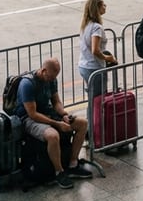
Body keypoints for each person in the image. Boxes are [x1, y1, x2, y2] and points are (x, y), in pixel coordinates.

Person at [14, 57, 91, 189]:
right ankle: (59, 172)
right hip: (29, 119)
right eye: (50, 77)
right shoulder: (27, 84)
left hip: (48, 113)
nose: (52, 79)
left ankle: (73, 163)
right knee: (52, 135)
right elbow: (32, 114)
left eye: (54, 77)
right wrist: (56, 123)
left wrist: (64, 115)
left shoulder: (51, 79)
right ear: (43, 71)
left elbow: (56, 102)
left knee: (82, 123)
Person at [78, 0, 117, 107]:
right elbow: (95, 50)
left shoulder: (85, 25)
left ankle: (91, 122)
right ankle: (95, 123)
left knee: (92, 99)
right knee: (98, 101)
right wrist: (108, 58)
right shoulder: (97, 28)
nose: (105, 6)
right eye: (103, 5)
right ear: (98, 8)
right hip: (94, 67)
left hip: (84, 65)